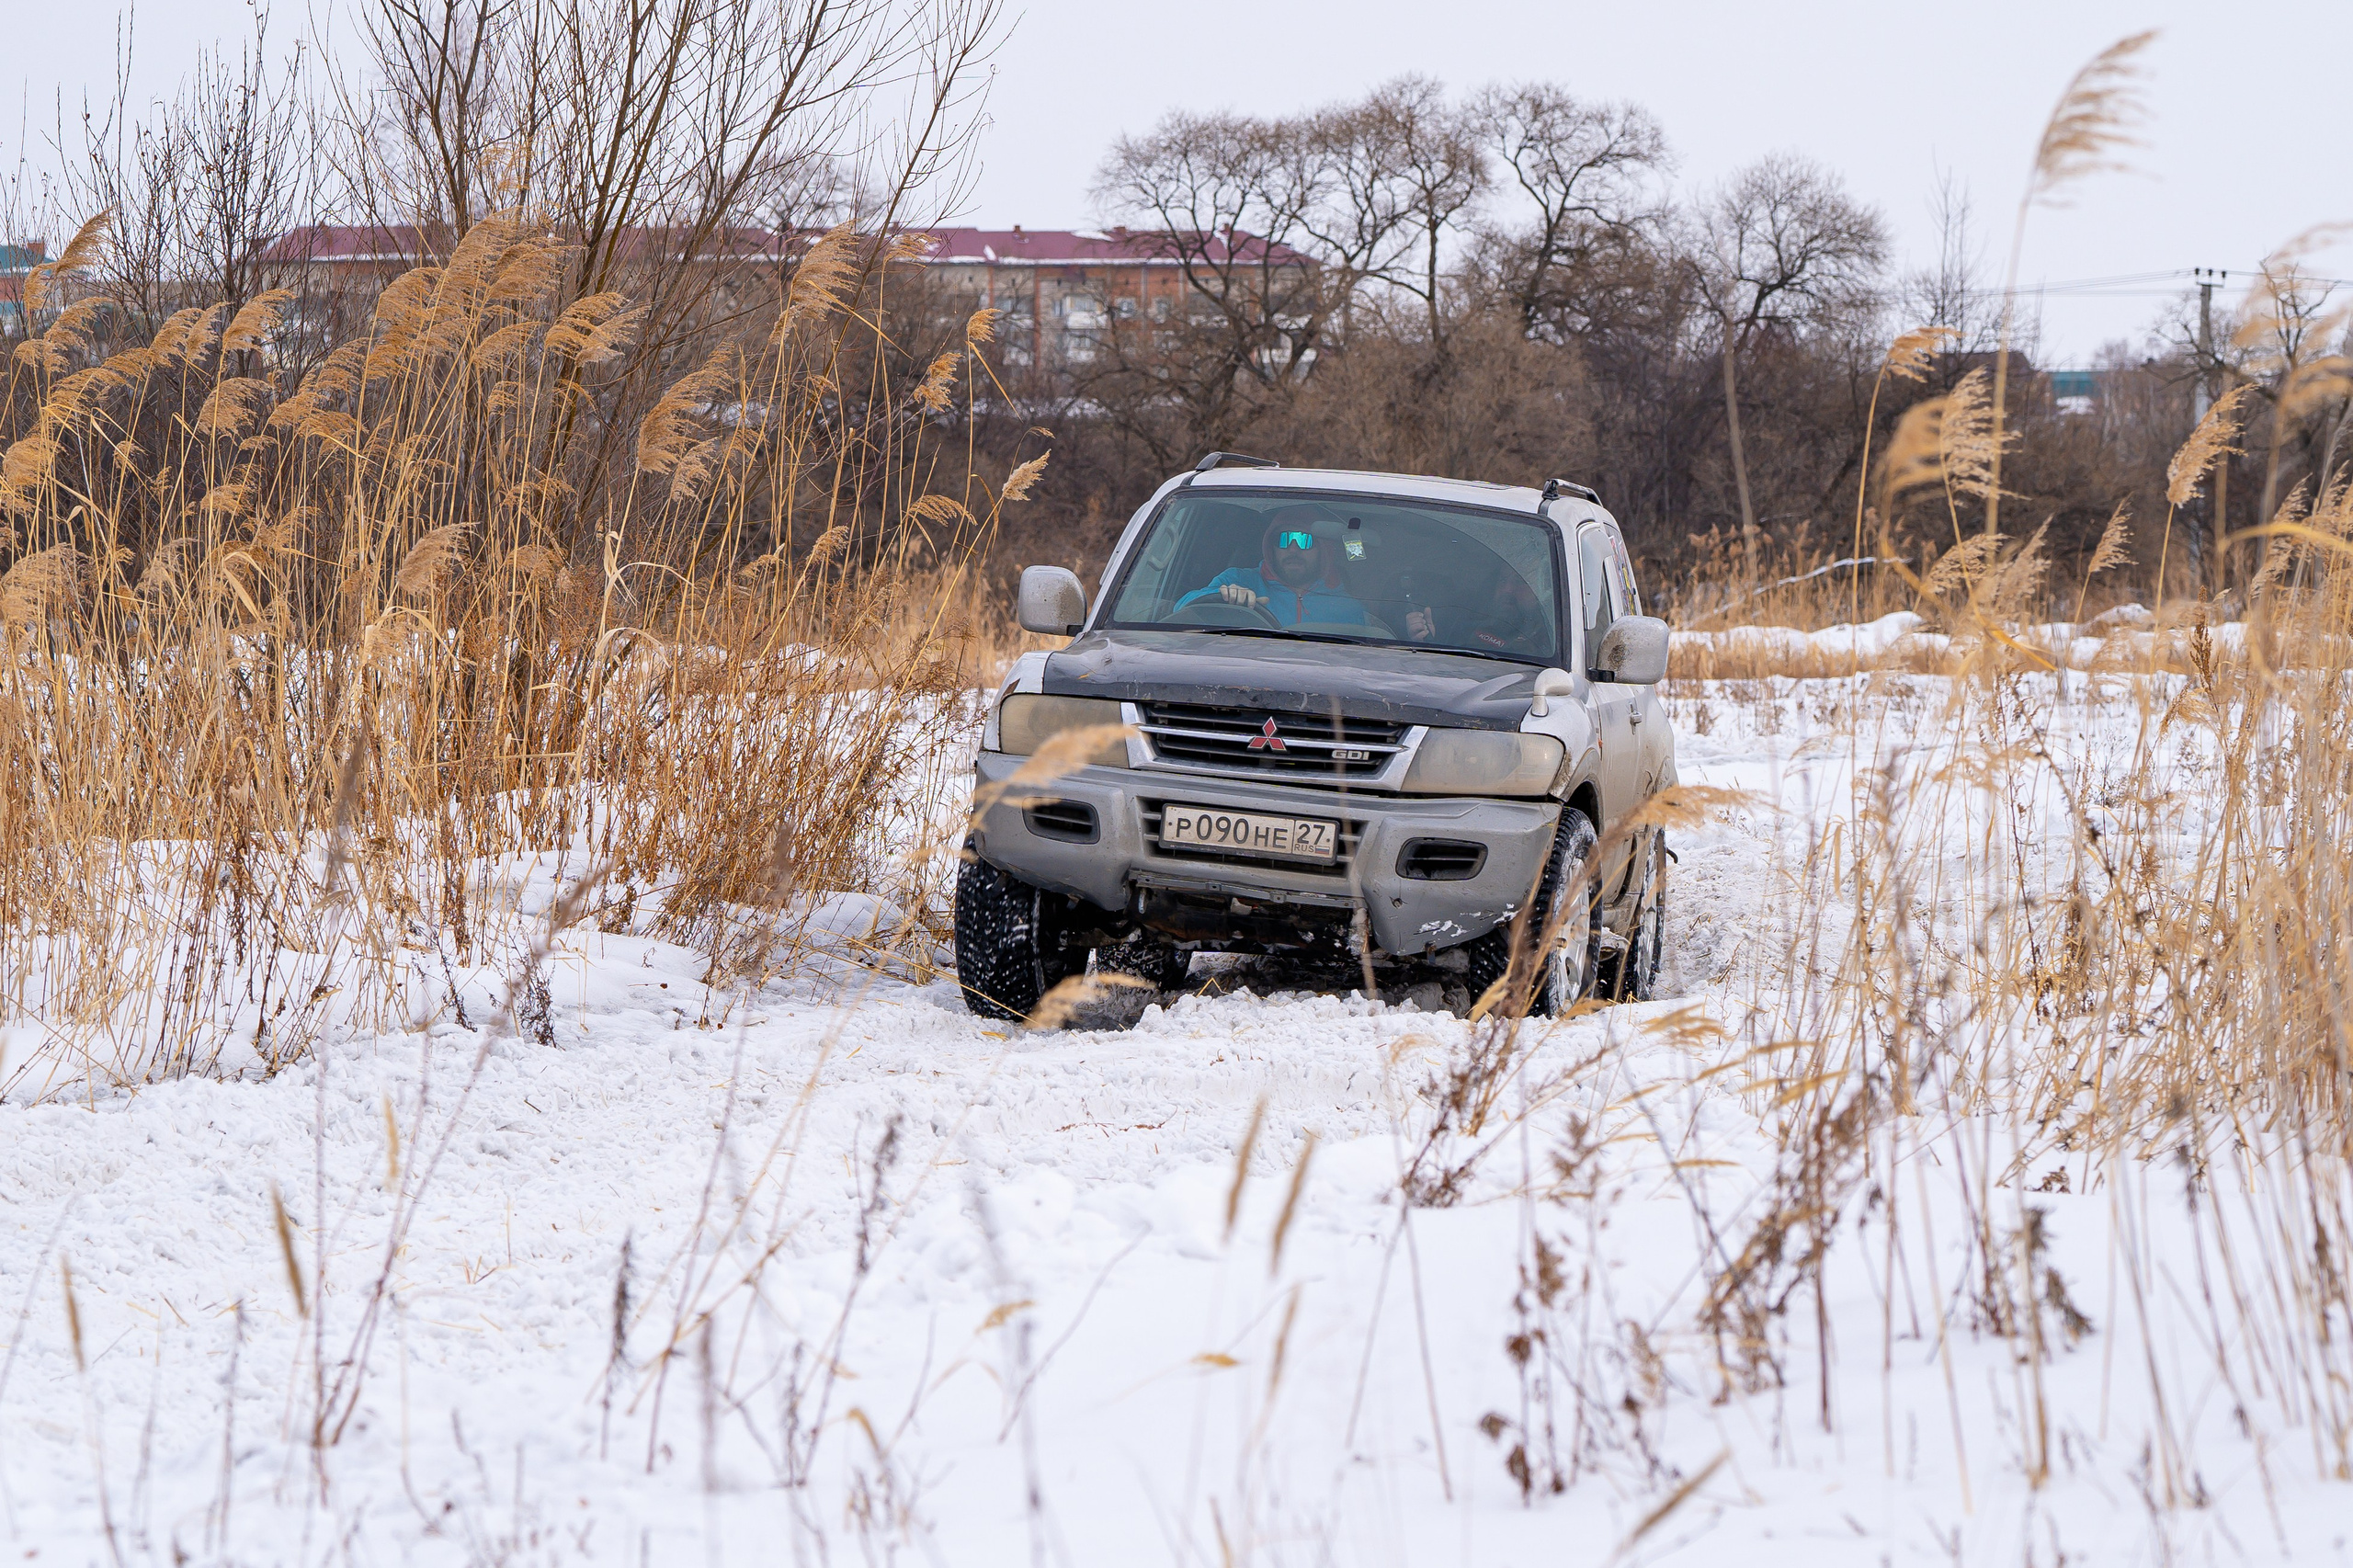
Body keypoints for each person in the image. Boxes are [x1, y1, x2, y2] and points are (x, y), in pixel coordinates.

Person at [1173, 507, 1370, 628]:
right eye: (1283, 539)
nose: (1293, 548)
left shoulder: (1347, 608)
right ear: (1270, 547)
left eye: (1304, 540)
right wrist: (1225, 597)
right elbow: (1182, 608)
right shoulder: (1238, 580)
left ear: (1323, 549)